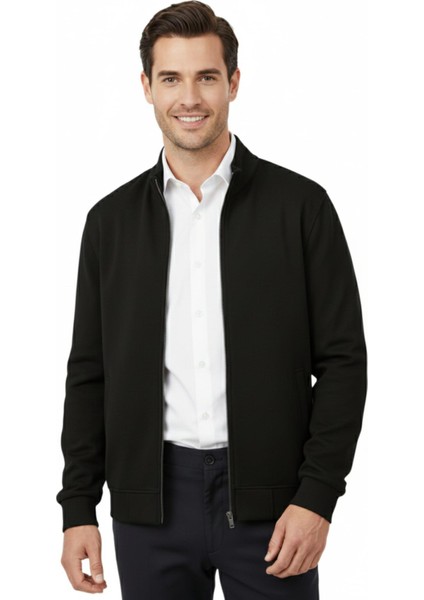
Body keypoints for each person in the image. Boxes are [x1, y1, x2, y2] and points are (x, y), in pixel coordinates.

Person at [57, 1, 367, 598]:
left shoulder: (301, 208)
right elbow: (90, 373)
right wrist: (78, 507)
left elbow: (343, 363)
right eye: (171, 78)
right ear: (147, 87)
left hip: (276, 505)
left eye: (206, 76)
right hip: (150, 507)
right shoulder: (110, 224)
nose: (189, 97)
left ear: (233, 82)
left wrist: (317, 497)